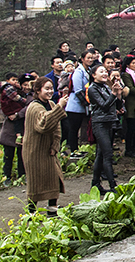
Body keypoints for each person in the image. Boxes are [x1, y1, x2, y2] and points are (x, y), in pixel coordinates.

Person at [23, 76, 68, 215]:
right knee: (35, 182)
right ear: (38, 91)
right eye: (46, 89)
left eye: (51, 88)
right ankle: (31, 213)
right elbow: (44, 125)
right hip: (34, 150)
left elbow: (57, 128)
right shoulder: (34, 107)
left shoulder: (51, 104)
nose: (50, 91)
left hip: (49, 149)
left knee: (55, 177)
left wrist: (55, 146)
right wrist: (60, 106)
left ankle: (52, 209)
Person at [86, 65, 123, 194]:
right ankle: (113, 186)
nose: (105, 73)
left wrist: (118, 94)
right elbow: (104, 106)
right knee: (107, 155)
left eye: (105, 71)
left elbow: (118, 105)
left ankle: (95, 185)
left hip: (110, 122)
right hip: (100, 123)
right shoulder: (92, 89)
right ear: (93, 75)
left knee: (100, 154)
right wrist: (113, 94)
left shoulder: (106, 87)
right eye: (101, 71)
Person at [1, 73, 34, 186]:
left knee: (22, 154)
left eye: (29, 84)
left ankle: (22, 175)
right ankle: (7, 177)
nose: (26, 87)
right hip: (10, 129)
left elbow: (29, 106)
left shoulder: (32, 95)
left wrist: (17, 114)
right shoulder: (13, 93)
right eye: (24, 84)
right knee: (8, 155)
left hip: (25, 127)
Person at [65, 50, 94, 153]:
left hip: (84, 104)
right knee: (74, 128)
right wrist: (87, 103)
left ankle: (79, 149)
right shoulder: (78, 71)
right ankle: (73, 150)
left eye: (92, 58)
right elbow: (77, 90)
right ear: (82, 59)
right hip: (76, 104)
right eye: (88, 58)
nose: (90, 60)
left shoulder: (89, 70)